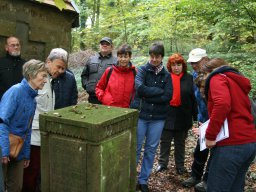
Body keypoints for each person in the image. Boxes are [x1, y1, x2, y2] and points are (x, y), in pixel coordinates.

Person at [22, 48, 78, 192]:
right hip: (33, 134)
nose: (60, 71)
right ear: (48, 61)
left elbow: (71, 102)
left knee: (47, 170)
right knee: (31, 171)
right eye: (58, 66)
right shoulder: (36, 78)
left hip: (53, 132)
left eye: (63, 68)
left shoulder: (64, 79)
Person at [199, 58, 256, 191]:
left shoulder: (217, 78)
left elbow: (222, 104)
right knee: (235, 187)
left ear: (211, 71)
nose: (204, 79)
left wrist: (210, 135)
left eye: (205, 74)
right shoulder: (235, 82)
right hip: (248, 143)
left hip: (231, 145)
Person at [0, 59, 48, 192]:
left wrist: (26, 154)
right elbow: (2, 122)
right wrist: (4, 151)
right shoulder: (15, 91)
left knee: (16, 187)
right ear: (32, 75)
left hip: (19, 150)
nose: (45, 80)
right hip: (3, 146)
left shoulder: (33, 99)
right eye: (43, 76)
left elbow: (27, 129)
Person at [130, 43, 172, 192]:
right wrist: (158, 92)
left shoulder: (166, 75)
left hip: (158, 118)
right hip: (141, 115)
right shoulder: (142, 70)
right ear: (150, 56)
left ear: (162, 57)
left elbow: (168, 96)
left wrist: (149, 95)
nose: (154, 59)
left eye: (157, 57)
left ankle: (143, 180)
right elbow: (139, 88)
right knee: (136, 147)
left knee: (151, 149)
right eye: (152, 56)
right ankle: (130, 178)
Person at [156, 53, 197, 175]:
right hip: (167, 115)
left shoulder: (189, 79)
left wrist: (196, 118)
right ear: (170, 66)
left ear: (183, 66)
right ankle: (162, 163)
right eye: (173, 65)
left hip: (183, 116)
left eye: (178, 64)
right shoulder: (166, 77)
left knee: (180, 142)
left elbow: (194, 99)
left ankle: (180, 166)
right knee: (165, 141)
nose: (176, 67)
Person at [181, 48, 210, 192]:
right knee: (200, 149)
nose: (194, 65)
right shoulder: (194, 75)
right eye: (192, 63)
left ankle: (207, 180)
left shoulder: (213, 75)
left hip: (216, 120)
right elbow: (197, 100)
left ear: (205, 59)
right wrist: (198, 118)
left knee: (216, 151)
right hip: (202, 119)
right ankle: (195, 176)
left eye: (196, 62)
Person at [81, 37, 117, 104]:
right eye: (102, 43)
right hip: (92, 97)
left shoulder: (117, 61)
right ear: (99, 46)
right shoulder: (91, 59)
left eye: (107, 44)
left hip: (109, 98)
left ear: (111, 47)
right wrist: (87, 86)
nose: (104, 45)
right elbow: (84, 75)